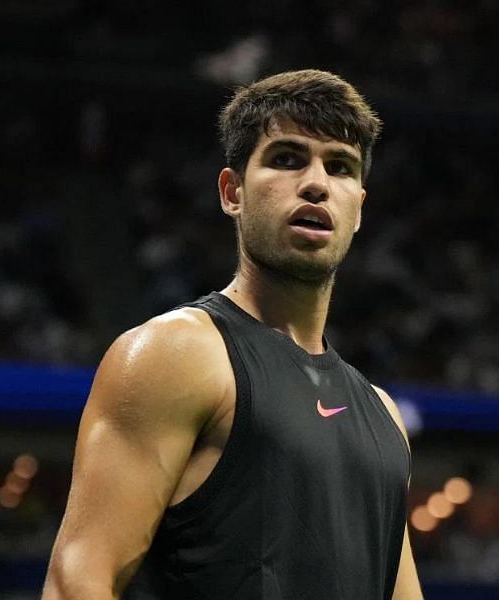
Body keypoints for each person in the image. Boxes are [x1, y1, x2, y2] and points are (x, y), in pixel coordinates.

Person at [43, 69, 423, 599]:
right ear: (232, 192)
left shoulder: (384, 417)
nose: (316, 182)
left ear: (358, 209)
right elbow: (76, 582)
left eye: (339, 167)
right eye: (287, 159)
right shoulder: (175, 354)